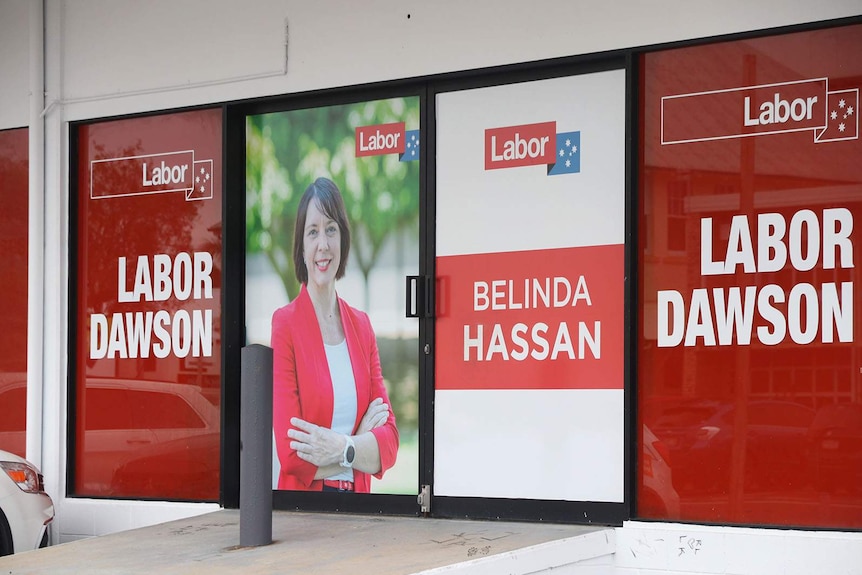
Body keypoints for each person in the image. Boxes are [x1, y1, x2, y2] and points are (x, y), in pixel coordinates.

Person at [271, 177, 399, 492]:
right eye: (312, 232)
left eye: (331, 229)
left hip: (358, 512)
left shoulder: (362, 327)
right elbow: (291, 457)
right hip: (306, 514)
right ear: (301, 247)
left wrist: (341, 447)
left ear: (343, 238)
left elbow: (391, 443)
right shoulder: (284, 325)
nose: (323, 245)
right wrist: (359, 444)